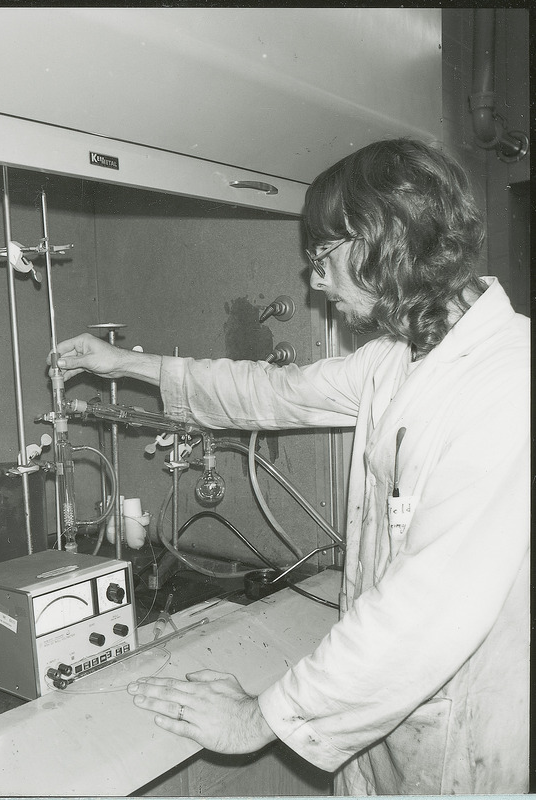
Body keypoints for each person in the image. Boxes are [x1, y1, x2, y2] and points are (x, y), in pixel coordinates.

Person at [51, 139, 529, 795]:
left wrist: (258, 716)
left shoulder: (506, 383)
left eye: (321, 257)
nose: (314, 281)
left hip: (464, 746)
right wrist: (128, 365)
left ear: (381, 239)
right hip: (401, 727)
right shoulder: (404, 356)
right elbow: (276, 391)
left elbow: (425, 610)